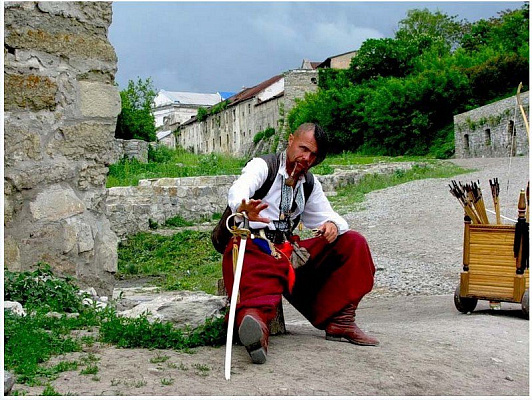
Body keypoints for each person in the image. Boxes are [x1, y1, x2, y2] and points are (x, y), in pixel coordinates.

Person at [222, 122, 378, 364]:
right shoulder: (264, 166)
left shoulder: (308, 183)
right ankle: (255, 330)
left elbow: (328, 214)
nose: (306, 158)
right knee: (257, 287)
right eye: (303, 148)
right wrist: (244, 207)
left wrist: (333, 225)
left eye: (313, 155)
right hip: (255, 247)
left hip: (289, 253)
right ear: (291, 140)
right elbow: (240, 188)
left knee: (353, 243)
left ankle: (341, 321)